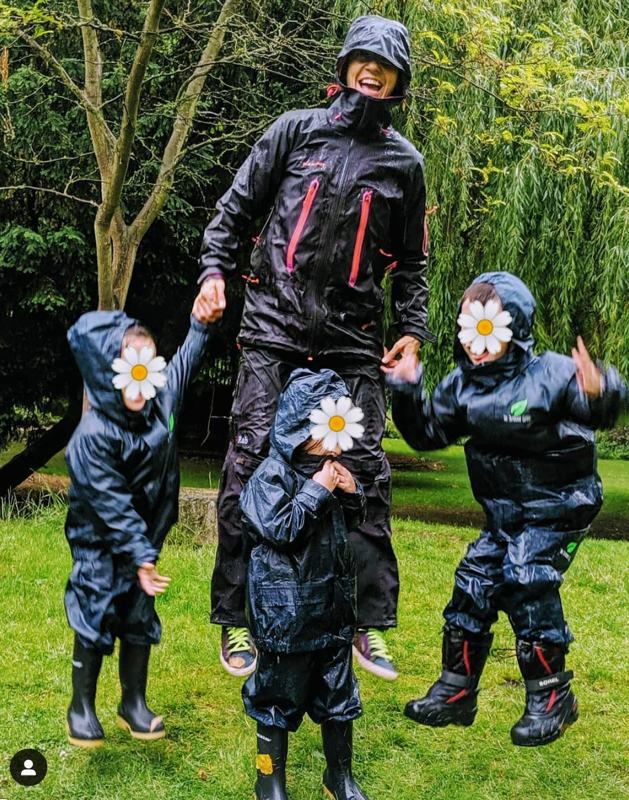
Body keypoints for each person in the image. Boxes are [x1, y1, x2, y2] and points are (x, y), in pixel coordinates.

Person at [198, 14, 433, 681]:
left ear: (397, 82)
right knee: (248, 466)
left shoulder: (405, 164)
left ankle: (367, 623)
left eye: (385, 66)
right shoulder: (294, 131)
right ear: (346, 65)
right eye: (364, 59)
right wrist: (213, 273)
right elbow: (233, 212)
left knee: (364, 474)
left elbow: (412, 265)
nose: (372, 71)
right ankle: (236, 617)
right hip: (272, 331)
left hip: (352, 345)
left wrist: (411, 331)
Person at [384, 271, 626, 747]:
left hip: (560, 505)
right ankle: (456, 690)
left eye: (489, 330)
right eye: (470, 330)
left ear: (513, 327)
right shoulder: (461, 387)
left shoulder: (552, 374)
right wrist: (407, 389)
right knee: (474, 581)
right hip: (506, 513)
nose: (477, 344)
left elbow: (599, 410)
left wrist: (603, 388)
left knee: (526, 575)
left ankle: (552, 696)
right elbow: (427, 434)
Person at [63, 293, 221, 747]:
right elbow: (110, 504)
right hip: (100, 540)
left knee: (139, 612)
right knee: (95, 608)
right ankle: (81, 705)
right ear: (106, 372)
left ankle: (132, 702)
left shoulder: (161, 401)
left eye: (146, 368)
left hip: (144, 541)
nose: (139, 382)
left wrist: (200, 324)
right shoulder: (92, 436)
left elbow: (185, 363)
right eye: (128, 369)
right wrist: (140, 555)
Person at [240, 368, 370, 800]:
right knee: (276, 698)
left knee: (338, 696)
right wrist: (317, 490)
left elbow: (351, 523)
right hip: (286, 619)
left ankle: (339, 776)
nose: (335, 442)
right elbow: (280, 529)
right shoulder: (270, 476)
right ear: (301, 427)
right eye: (326, 429)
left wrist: (350, 493)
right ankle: (269, 781)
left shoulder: (329, 472)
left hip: (331, 615)